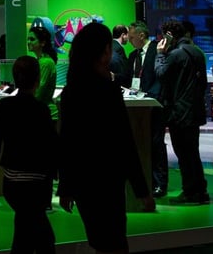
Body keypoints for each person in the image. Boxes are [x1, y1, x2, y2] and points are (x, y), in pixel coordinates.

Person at [58, 22, 154, 254]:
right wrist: (142, 189)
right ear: (104, 53)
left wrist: (66, 186)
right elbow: (125, 141)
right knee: (115, 242)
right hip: (108, 179)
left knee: (99, 240)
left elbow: (67, 142)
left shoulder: (71, 91)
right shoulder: (108, 90)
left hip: (82, 180)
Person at [0, 55, 58, 254]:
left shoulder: (5, 107)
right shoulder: (41, 110)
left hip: (12, 182)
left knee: (24, 230)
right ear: (37, 80)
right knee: (42, 238)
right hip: (37, 183)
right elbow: (51, 147)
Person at [155, 20, 209, 205]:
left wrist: (160, 54)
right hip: (194, 110)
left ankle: (190, 192)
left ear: (169, 35)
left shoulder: (176, 54)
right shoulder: (198, 52)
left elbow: (161, 74)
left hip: (179, 111)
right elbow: (202, 84)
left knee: (184, 155)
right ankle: (200, 191)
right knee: (193, 152)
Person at [129, 21, 168, 197]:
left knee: (156, 143)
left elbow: (161, 77)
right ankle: (147, 180)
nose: (129, 40)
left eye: (131, 37)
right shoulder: (133, 56)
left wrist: (151, 96)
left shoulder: (157, 50)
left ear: (141, 36)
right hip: (137, 107)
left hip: (155, 105)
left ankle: (160, 182)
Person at [27, 25, 58, 122]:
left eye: (32, 39)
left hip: (46, 114)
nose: (28, 42)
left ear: (43, 43)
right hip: (41, 112)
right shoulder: (41, 61)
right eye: (28, 39)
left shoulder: (45, 63)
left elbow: (39, 90)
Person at [110, 24, 139, 88]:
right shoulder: (119, 49)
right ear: (123, 35)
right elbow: (124, 71)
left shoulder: (109, 46)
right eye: (128, 35)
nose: (129, 39)